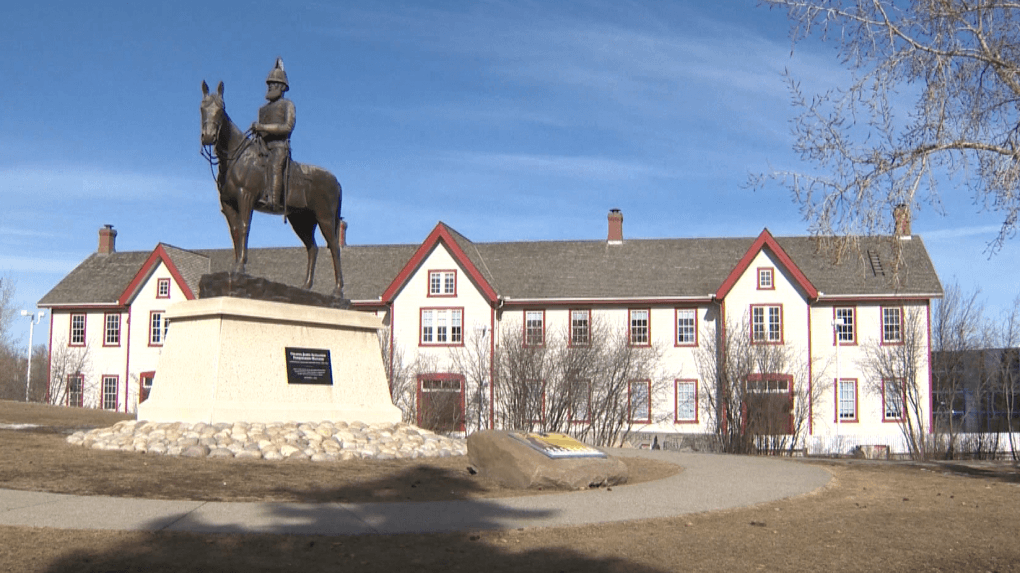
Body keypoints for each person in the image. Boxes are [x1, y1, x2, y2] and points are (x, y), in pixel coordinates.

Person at [251, 57, 295, 211]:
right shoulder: (262, 109)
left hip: (279, 147)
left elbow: (287, 127)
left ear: (282, 87)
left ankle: (273, 199)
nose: (270, 87)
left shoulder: (287, 105)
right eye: (269, 84)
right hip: (262, 147)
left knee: (275, 165)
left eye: (274, 84)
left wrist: (264, 127)